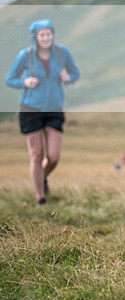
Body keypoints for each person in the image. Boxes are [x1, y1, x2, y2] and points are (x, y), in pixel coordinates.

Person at [5, 19, 80, 206]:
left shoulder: (63, 54)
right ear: (36, 37)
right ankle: (40, 198)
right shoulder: (25, 56)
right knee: (36, 154)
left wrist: (67, 78)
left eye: (49, 34)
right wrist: (24, 82)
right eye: (42, 34)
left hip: (54, 109)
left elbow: (75, 73)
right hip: (31, 109)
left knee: (53, 156)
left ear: (53, 35)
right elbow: (10, 79)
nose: (46, 37)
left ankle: (41, 177)